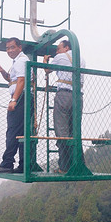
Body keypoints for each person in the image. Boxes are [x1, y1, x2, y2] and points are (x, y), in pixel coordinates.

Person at [43, 40, 85, 173]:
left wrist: (45, 60)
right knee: (75, 132)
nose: (56, 51)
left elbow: (47, 70)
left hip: (64, 95)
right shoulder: (81, 59)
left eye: (58, 48)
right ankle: (78, 164)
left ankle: (64, 166)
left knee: (62, 132)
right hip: (78, 96)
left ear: (67, 47)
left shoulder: (60, 57)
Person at [0, 37, 29, 173]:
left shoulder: (21, 61)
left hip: (20, 98)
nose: (10, 50)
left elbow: (21, 81)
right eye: (7, 48)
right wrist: (2, 71)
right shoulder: (18, 62)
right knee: (21, 132)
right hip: (22, 97)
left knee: (13, 131)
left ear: (19, 47)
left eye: (12, 47)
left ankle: (7, 163)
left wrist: (14, 100)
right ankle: (24, 165)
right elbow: (11, 79)